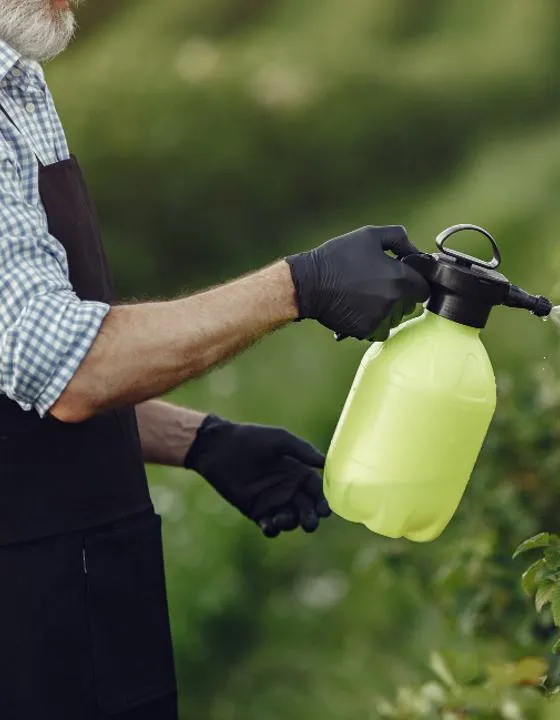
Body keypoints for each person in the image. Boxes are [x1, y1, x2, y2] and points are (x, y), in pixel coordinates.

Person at [0, 2, 431, 718]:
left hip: (76, 595)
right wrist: (299, 286)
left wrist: (200, 440)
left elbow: (16, 367)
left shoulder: (19, 79)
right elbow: (70, 367)